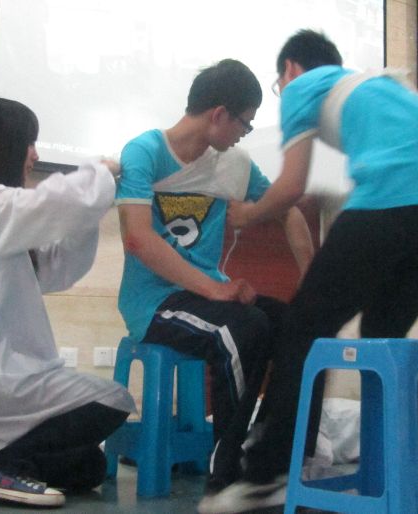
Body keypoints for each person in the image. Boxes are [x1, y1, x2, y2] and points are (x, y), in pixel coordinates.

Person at [200, 29, 418, 513]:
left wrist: (247, 214)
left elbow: (291, 187)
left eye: (279, 84)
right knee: (383, 337)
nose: (283, 92)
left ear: (290, 69)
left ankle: (266, 477)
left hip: (393, 196)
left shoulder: (304, 87)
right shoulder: (384, 85)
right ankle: (394, 466)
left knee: (302, 331)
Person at [0, 98, 135, 508]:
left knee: (89, 468)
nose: (35, 155)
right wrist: (98, 174)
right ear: (5, 145)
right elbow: (43, 207)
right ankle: (5, 467)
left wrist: (89, 212)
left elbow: (58, 268)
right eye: (29, 143)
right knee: (114, 400)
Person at [115, 59, 315, 494]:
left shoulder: (233, 164)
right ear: (220, 114)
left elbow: (288, 211)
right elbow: (137, 239)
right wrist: (214, 289)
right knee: (243, 329)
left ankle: (270, 457)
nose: (246, 133)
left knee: (299, 330)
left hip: (205, 295)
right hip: (155, 302)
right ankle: (227, 474)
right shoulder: (144, 152)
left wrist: (311, 282)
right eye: (245, 123)